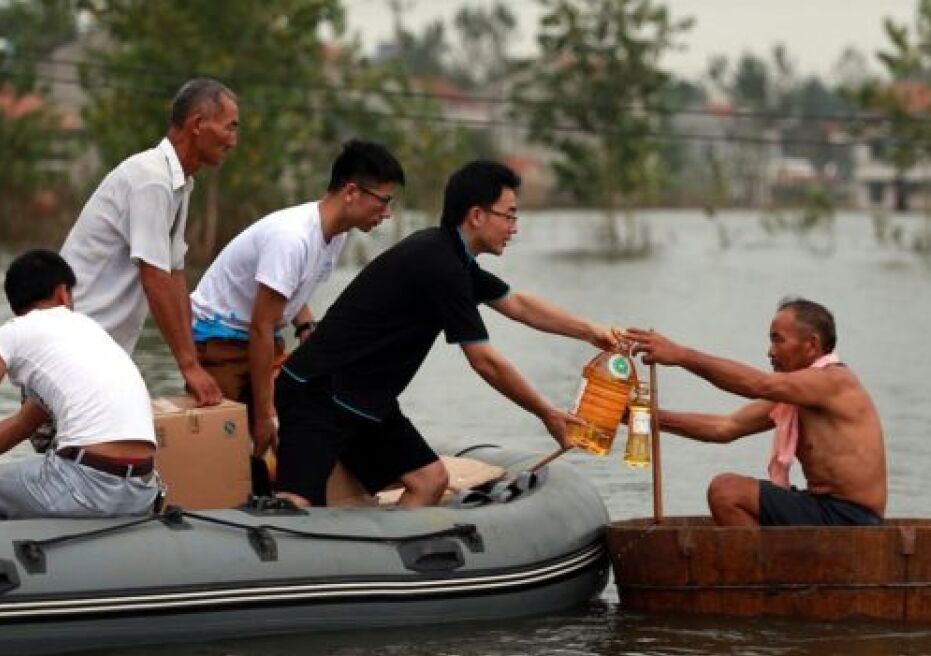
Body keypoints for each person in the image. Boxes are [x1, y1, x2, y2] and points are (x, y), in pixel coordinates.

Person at [275, 160, 618, 508]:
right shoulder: (439, 263)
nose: (514, 228)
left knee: (429, 480)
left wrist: (591, 332)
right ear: (477, 215)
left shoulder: (453, 258)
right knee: (296, 503)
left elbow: (518, 305)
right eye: (509, 215)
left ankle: (390, 561)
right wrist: (547, 412)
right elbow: (485, 362)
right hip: (317, 391)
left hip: (364, 399)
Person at [189, 139, 406, 457]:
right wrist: (265, 416)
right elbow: (260, 328)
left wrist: (305, 327)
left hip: (260, 336)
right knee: (235, 440)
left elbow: (288, 293)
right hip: (218, 339)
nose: (386, 214)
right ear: (351, 193)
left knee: (311, 401)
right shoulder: (292, 238)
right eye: (383, 202)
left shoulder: (335, 233)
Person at [626, 297, 886, 527]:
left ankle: (768, 577)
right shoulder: (795, 394)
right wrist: (640, 417)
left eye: (778, 340)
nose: (770, 352)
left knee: (726, 492)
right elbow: (724, 427)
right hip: (824, 508)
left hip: (851, 518)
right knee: (727, 491)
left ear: (811, 345)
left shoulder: (833, 381)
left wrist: (681, 355)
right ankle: (775, 573)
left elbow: (758, 384)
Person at [60, 77, 240, 406]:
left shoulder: (179, 185)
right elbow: (155, 280)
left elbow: (174, 278)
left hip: (100, 354)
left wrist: (194, 364)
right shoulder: (151, 180)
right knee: (93, 453)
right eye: (230, 127)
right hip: (75, 350)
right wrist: (188, 367)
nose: (233, 141)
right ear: (198, 124)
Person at [0, 250, 159, 522]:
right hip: (143, 487)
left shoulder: (12, 333)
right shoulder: (90, 332)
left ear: (14, 303)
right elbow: (19, 427)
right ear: (63, 293)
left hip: (87, 483)